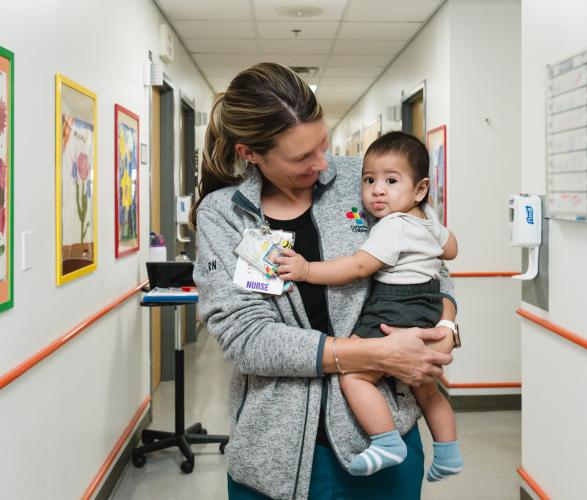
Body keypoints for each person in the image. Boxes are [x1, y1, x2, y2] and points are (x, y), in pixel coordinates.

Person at [191, 62, 458, 500]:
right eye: (301, 157)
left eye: (323, 143)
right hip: (274, 453)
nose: (322, 163)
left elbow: (432, 265)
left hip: (382, 437)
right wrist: (375, 353)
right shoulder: (224, 215)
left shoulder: (366, 179)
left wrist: (446, 327)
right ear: (250, 154)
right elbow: (246, 338)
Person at [275, 131, 463, 481]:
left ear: (420, 188)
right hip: (429, 306)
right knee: (426, 387)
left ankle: (386, 441)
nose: (377, 190)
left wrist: (306, 270)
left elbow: (358, 267)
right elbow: (450, 251)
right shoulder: (427, 218)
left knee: (355, 376)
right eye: (369, 180)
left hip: (395, 308)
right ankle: (449, 451)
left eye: (391, 181)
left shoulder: (392, 227)